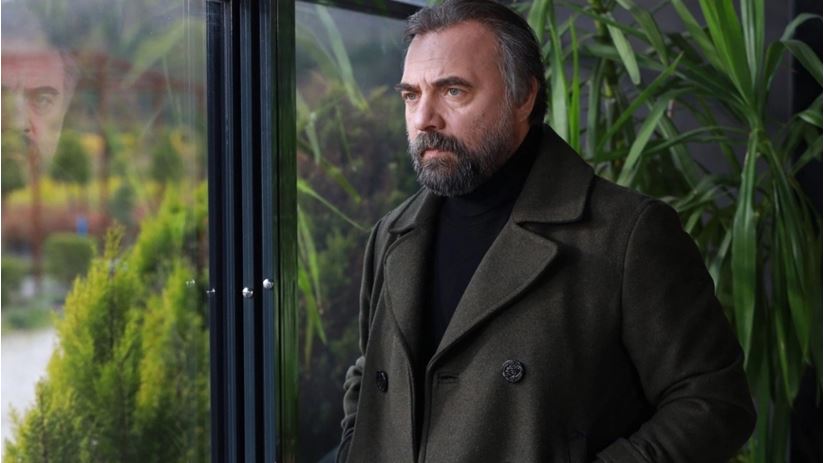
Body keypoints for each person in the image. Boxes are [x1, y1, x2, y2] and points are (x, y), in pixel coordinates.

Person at [337, 0, 755, 461]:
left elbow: (715, 403)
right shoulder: (392, 234)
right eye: (411, 95)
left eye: (453, 91)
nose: (423, 119)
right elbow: (371, 372)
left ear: (523, 97)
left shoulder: (626, 234)